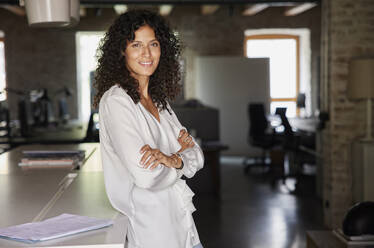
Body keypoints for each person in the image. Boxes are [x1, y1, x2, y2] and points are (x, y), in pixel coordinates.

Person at [94, 9, 204, 248]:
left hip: (184, 224)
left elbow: (198, 154)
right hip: (153, 229)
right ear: (122, 51)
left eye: (153, 44)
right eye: (136, 45)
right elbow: (147, 176)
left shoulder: (158, 101)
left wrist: (172, 160)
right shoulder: (116, 101)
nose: (146, 53)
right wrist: (181, 160)